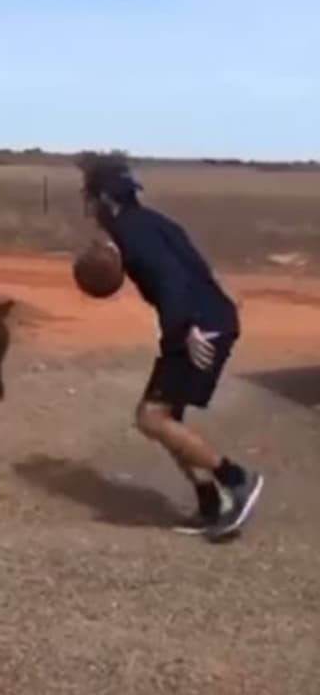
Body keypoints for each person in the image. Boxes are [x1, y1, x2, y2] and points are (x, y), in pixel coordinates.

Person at [77, 152, 263, 542]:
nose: (90, 209)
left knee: (152, 418)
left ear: (105, 200)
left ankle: (237, 480)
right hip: (204, 319)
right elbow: (194, 268)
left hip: (198, 326)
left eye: (90, 200)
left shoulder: (130, 232)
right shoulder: (152, 222)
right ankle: (209, 504)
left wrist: (189, 328)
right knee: (166, 419)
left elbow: (171, 280)